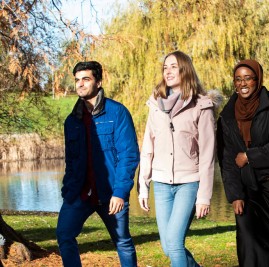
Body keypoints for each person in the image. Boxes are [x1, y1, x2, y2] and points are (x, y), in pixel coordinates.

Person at [56, 61, 140, 267]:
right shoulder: (71, 120)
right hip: (79, 193)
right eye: (77, 80)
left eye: (86, 79)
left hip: (111, 193)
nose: (80, 84)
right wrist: (67, 190)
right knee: (64, 235)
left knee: (123, 242)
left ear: (99, 82)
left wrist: (120, 192)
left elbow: (128, 155)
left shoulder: (117, 113)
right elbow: (71, 160)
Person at [138, 51, 217, 267]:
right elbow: (148, 147)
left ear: (185, 70)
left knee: (173, 242)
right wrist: (143, 185)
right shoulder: (155, 104)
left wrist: (204, 196)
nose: (168, 71)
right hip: (162, 183)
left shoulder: (201, 105)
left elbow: (208, 155)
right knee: (168, 246)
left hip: (189, 183)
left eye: (174, 66)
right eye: (165, 67)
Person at [217, 59, 269, 267]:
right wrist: (235, 195)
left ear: (258, 79)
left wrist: (249, 156)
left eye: (248, 78)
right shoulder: (227, 114)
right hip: (247, 187)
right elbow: (226, 159)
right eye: (238, 79)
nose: (242, 84)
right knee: (248, 240)